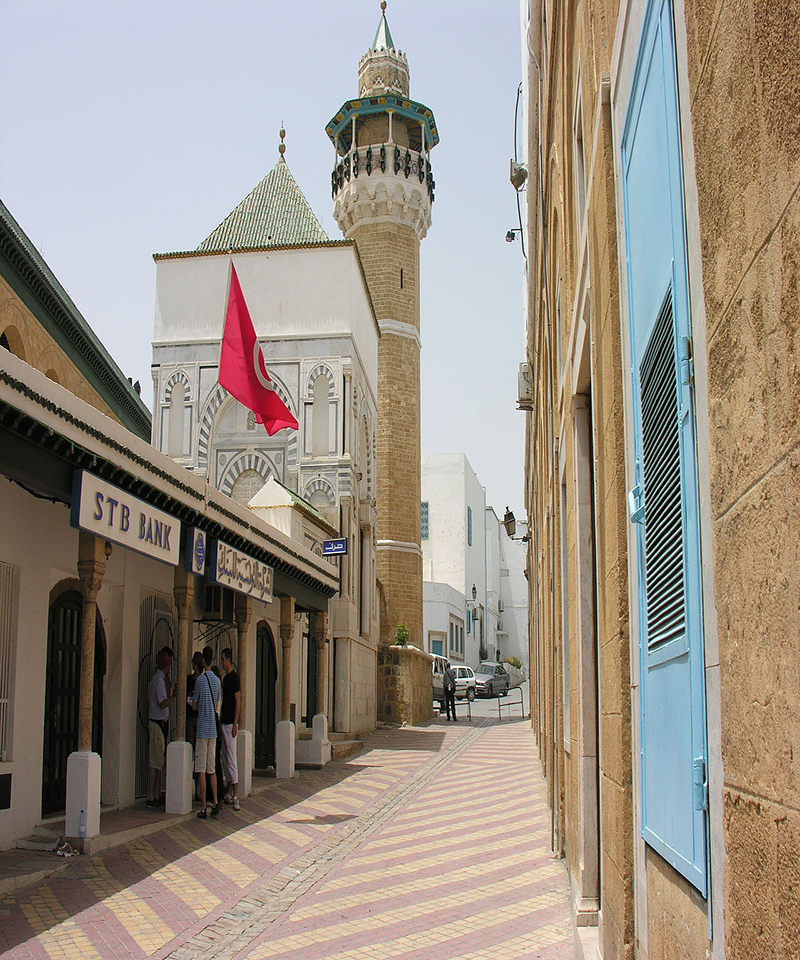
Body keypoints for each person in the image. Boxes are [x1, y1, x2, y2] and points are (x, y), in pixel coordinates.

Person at [191, 646, 222, 818]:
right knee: (212, 769)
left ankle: (203, 806)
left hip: (202, 728)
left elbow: (195, 704)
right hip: (213, 729)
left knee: (201, 769)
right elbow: (217, 703)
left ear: (203, 660)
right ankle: (215, 801)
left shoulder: (200, 681)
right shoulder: (217, 681)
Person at [147, 650, 174, 806]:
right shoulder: (158, 679)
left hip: (161, 723)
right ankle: (151, 794)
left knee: (158, 760)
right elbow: (162, 702)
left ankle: (156, 793)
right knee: (155, 761)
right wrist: (173, 697)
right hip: (157, 723)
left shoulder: (162, 679)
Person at [219, 647, 241, 811]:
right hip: (223, 721)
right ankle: (229, 790)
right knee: (225, 757)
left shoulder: (234, 678)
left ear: (227, 659)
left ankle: (235, 794)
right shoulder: (226, 679)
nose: (222, 662)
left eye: (223, 659)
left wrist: (235, 722)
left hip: (230, 723)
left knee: (231, 757)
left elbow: (238, 701)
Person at [187, 651, 204, 800]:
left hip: (198, 719)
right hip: (191, 719)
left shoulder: (202, 681)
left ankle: (199, 789)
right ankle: (190, 787)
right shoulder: (189, 680)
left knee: (198, 754)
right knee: (190, 753)